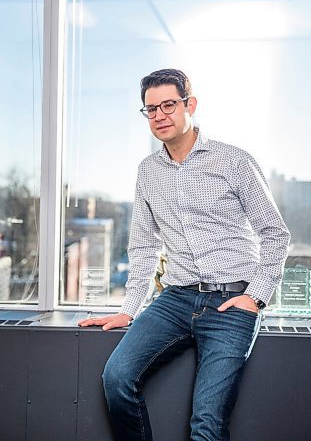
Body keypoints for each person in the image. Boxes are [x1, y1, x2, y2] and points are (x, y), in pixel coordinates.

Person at [79, 68, 290, 441]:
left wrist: (255, 296)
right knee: (116, 378)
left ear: (189, 105)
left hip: (232, 302)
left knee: (206, 423)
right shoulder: (148, 172)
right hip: (174, 299)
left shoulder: (234, 161)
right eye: (150, 109)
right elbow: (144, 246)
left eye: (168, 105)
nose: (159, 115)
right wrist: (129, 308)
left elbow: (275, 234)